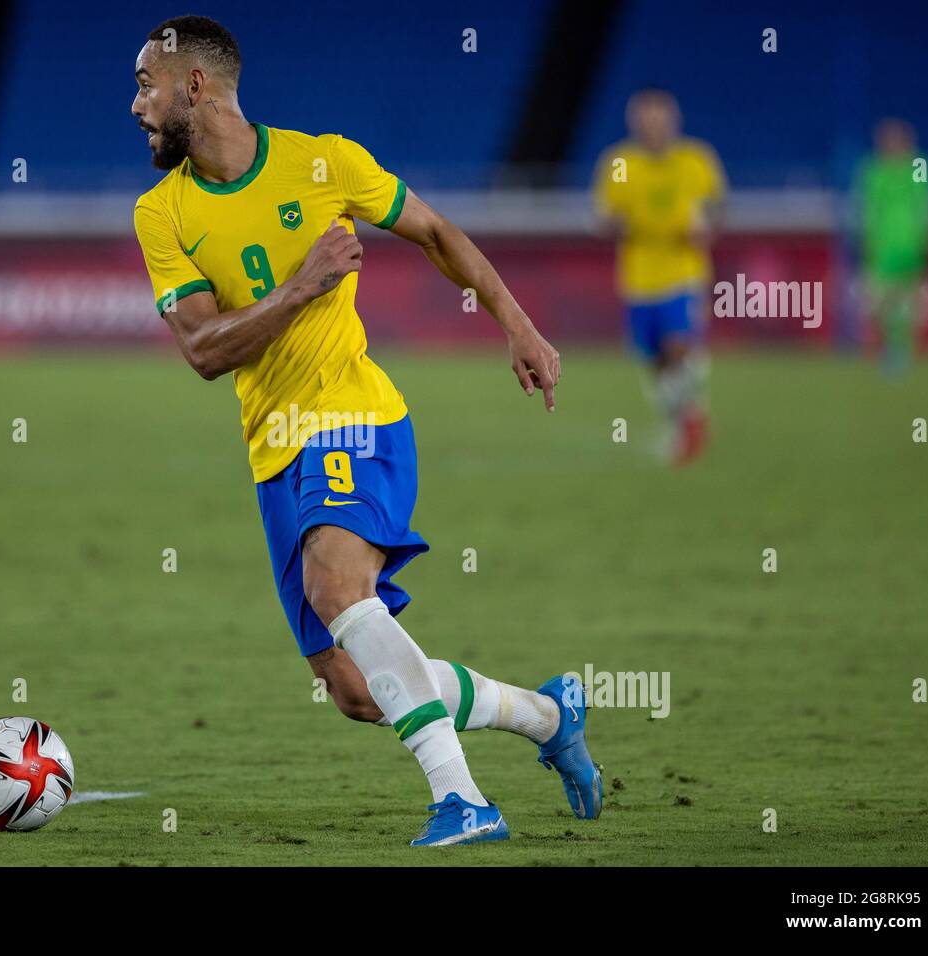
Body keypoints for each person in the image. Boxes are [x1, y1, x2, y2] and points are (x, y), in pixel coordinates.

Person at [130, 15, 601, 846]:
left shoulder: (326, 161)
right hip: (272, 448)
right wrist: (301, 287)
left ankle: (463, 801)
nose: (135, 105)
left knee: (339, 590)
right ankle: (543, 715)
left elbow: (436, 233)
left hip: (355, 412)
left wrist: (516, 322)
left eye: (145, 84)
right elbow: (205, 351)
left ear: (194, 86)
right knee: (355, 688)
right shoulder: (161, 213)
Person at [593, 89, 726, 465]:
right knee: (654, 363)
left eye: (660, 118)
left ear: (673, 120)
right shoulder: (619, 162)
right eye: (645, 119)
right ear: (634, 122)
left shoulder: (696, 159)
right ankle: (683, 419)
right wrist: (614, 224)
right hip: (638, 278)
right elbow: (604, 216)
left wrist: (707, 227)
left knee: (678, 346)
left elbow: (717, 207)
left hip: (684, 271)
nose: (653, 126)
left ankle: (693, 415)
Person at [855, 118, 928, 374]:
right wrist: (864, 239)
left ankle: (901, 352)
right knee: (878, 304)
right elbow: (867, 209)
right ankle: (888, 349)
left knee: (907, 304)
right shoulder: (874, 170)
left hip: (911, 246)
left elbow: (926, 203)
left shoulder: (919, 165)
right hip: (881, 247)